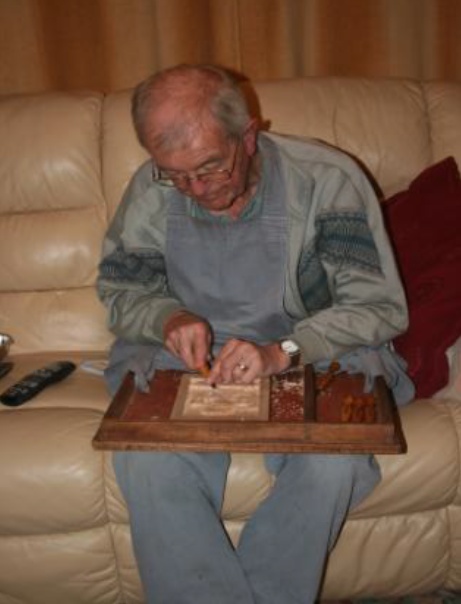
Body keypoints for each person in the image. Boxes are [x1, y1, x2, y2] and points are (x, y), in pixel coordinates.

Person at [97, 64, 413, 604]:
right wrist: (168, 318)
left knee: (330, 467)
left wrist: (282, 351)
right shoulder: (152, 191)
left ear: (249, 136)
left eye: (210, 168)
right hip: (185, 361)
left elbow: (375, 306)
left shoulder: (325, 181)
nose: (194, 190)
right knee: (148, 461)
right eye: (174, 175)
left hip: (312, 351)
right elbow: (122, 290)